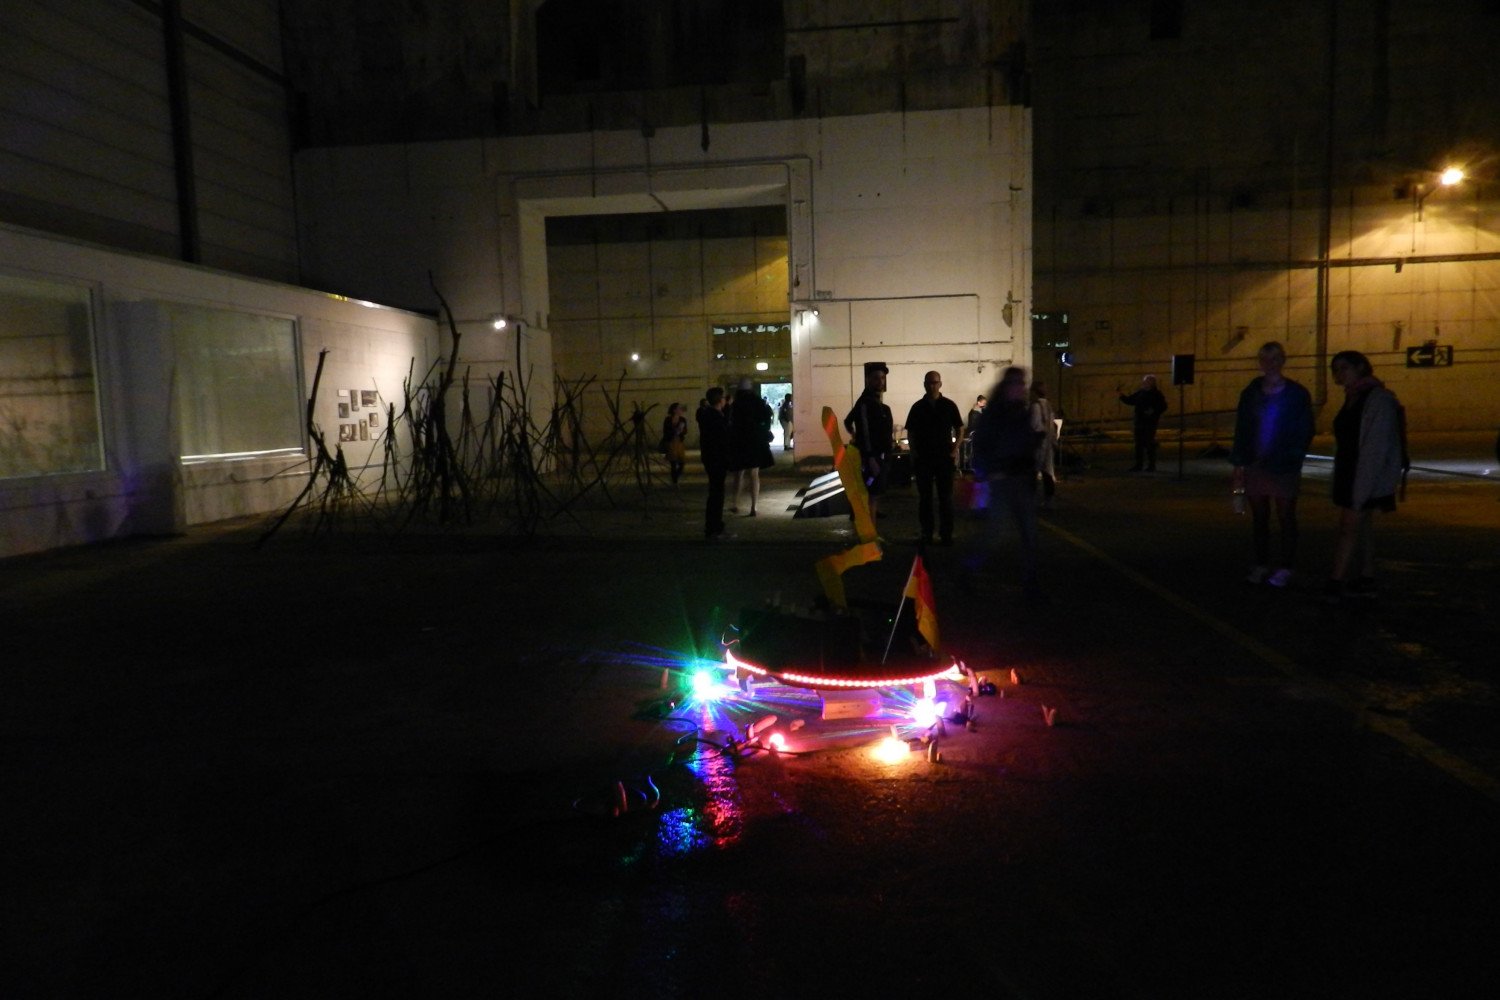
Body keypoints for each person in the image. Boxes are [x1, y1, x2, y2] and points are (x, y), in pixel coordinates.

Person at [1229, 342, 1315, 587]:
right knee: (1260, 517)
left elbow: (1305, 430)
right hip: (1257, 463)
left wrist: (1293, 457)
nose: (1270, 364)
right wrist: (1239, 462)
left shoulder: (1296, 394)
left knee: (1286, 516)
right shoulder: (1252, 392)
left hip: (1283, 465)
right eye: (1265, 359)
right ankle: (1261, 563)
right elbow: (1242, 428)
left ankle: (1285, 566)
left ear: (1282, 360)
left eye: (1275, 358)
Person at [1325, 350, 1405, 602]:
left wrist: (1363, 485)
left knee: (1348, 527)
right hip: (1350, 470)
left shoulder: (1376, 399)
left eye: (1344, 367)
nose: (1339, 373)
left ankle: (1336, 583)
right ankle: (1366, 577)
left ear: (1360, 367)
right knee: (1364, 524)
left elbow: (1375, 447)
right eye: (1335, 369)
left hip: (1364, 472)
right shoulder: (1354, 396)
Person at [968, 367, 1045, 601]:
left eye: (1023, 384)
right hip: (1003, 480)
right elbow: (983, 445)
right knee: (993, 535)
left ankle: (1030, 583)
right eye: (1017, 384)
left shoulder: (1020, 412)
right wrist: (991, 472)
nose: (1021, 389)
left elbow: (1023, 444)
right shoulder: (995, 415)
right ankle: (967, 572)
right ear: (1007, 387)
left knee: (1029, 536)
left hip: (1019, 479)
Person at [904, 370, 965, 546]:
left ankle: (946, 533)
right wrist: (914, 452)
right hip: (924, 458)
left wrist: (955, 449)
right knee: (925, 498)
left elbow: (960, 428)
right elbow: (911, 432)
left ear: (940, 384)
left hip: (944, 458)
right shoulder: (917, 407)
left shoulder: (949, 405)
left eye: (935, 382)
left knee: (945, 497)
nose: (932, 386)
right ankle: (927, 532)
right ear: (924, 384)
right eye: (929, 383)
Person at [844, 361, 894, 521]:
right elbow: (861, 428)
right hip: (872, 456)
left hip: (881, 454)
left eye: (882, 378)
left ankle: (870, 531)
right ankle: (869, 536)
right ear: (868, 380)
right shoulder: (866, 402)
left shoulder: (878, 403)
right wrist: (869, 455)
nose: (880, 381)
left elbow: (848, 421)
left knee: (874, 494)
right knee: (870, 494)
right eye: (876, 378)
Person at [727, 380, 775, 516]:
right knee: (754, 474)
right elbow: (767, 418)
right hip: (756, 441)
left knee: (739, 474)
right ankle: (754, 507)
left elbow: (731, 423)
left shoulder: (736, 404)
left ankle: (735, 504)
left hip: (739, 441)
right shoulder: (759, 402)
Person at [696, 387, 730, 539]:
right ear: (719, 400)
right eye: (723, 398)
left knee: (715, 492)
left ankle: (714, 526)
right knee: (717, 493)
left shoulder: (707, 415)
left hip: (711, 458)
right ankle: (714, 527)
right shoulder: (715, 417)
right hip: (716, 459)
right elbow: (722, 438)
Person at [1118, 374, 1168, 471]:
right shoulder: (1141, 392)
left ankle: (1151, 465)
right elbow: (1130, 400)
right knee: (1138, 444)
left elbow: (1163, 406)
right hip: (1139, 422)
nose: (1144, 383)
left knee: (1149, 444)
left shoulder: (1157, 394)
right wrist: (1121, 395)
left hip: (1150, 423)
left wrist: (1153, 410)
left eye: (1147, 381)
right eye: (1144, 381)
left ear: (1152, 383)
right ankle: (1139, 464)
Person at [1030, 380, 1059, 508]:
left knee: (1033, 471)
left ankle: (1030, 499)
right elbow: (1052, 426)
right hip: (1047, 443)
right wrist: (1053, 441)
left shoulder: (1035, 406)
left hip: (1038, 443)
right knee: (1047, 471)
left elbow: (1034, 425)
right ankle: (1049, 499)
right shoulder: (1048, 405)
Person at [660, 402, 688, 484]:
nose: (681, 410)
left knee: (682, 463)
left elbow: (685, 431)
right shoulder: (668, 419)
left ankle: (676, 476)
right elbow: (665, 431)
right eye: (679, 408)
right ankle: (674, 481)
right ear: (674, 410)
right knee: (673, 463)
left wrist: (682, 430)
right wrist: (675, 430)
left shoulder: (683, 419)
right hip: (670, 442)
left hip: (679, 442)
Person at [961, 394, 986, 471]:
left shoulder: (977, 411)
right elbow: (973, 426)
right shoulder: (974, 413)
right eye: (984, 403)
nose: (985, 405)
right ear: (979, 403)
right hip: (973, 436)